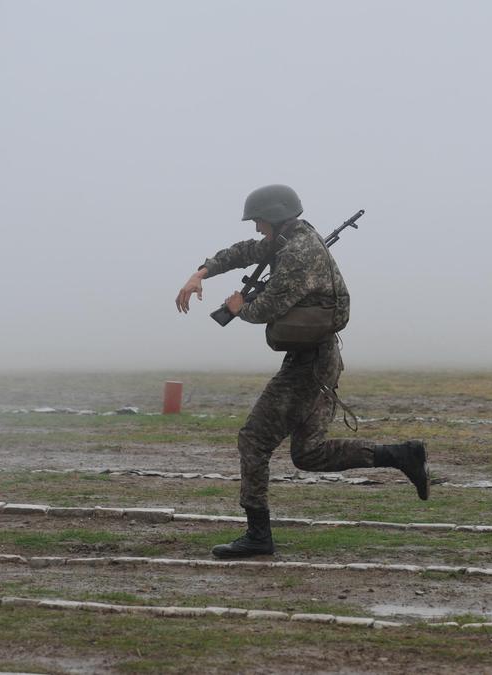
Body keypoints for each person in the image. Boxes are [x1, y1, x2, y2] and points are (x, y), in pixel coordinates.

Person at [175, 184, 430, 559]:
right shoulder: (287, 239)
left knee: (254, 439)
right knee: (308, 454)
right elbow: (245, 251)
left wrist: (237, 307)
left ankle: (258, 536)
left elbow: (268, 308)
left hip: (310, 364)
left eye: (259, 220)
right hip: (318, 358)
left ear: (275, 216)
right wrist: (201, 272)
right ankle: (402, 455)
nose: (257, 228)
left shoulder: (298, 253)